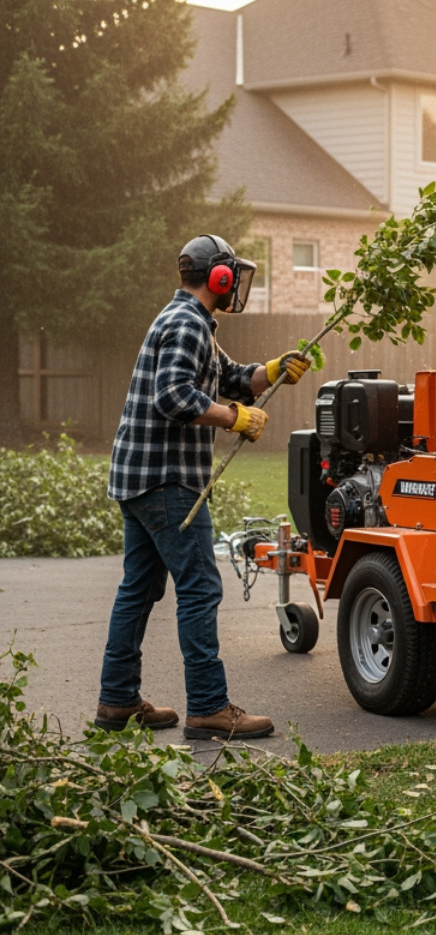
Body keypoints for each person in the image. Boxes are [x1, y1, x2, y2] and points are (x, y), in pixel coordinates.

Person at [96, 234, 312, 740]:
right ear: (218, 277)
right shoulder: (187, 324)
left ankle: (117, 700)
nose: (236, 283)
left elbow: (230, 377)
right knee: (200, 587)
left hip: (139, 477)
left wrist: (274, 371)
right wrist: (235, 418)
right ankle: (210, 708)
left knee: (138, 589)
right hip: (167, 481)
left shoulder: (189, 323)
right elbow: (174, 396)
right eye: (232, 275)